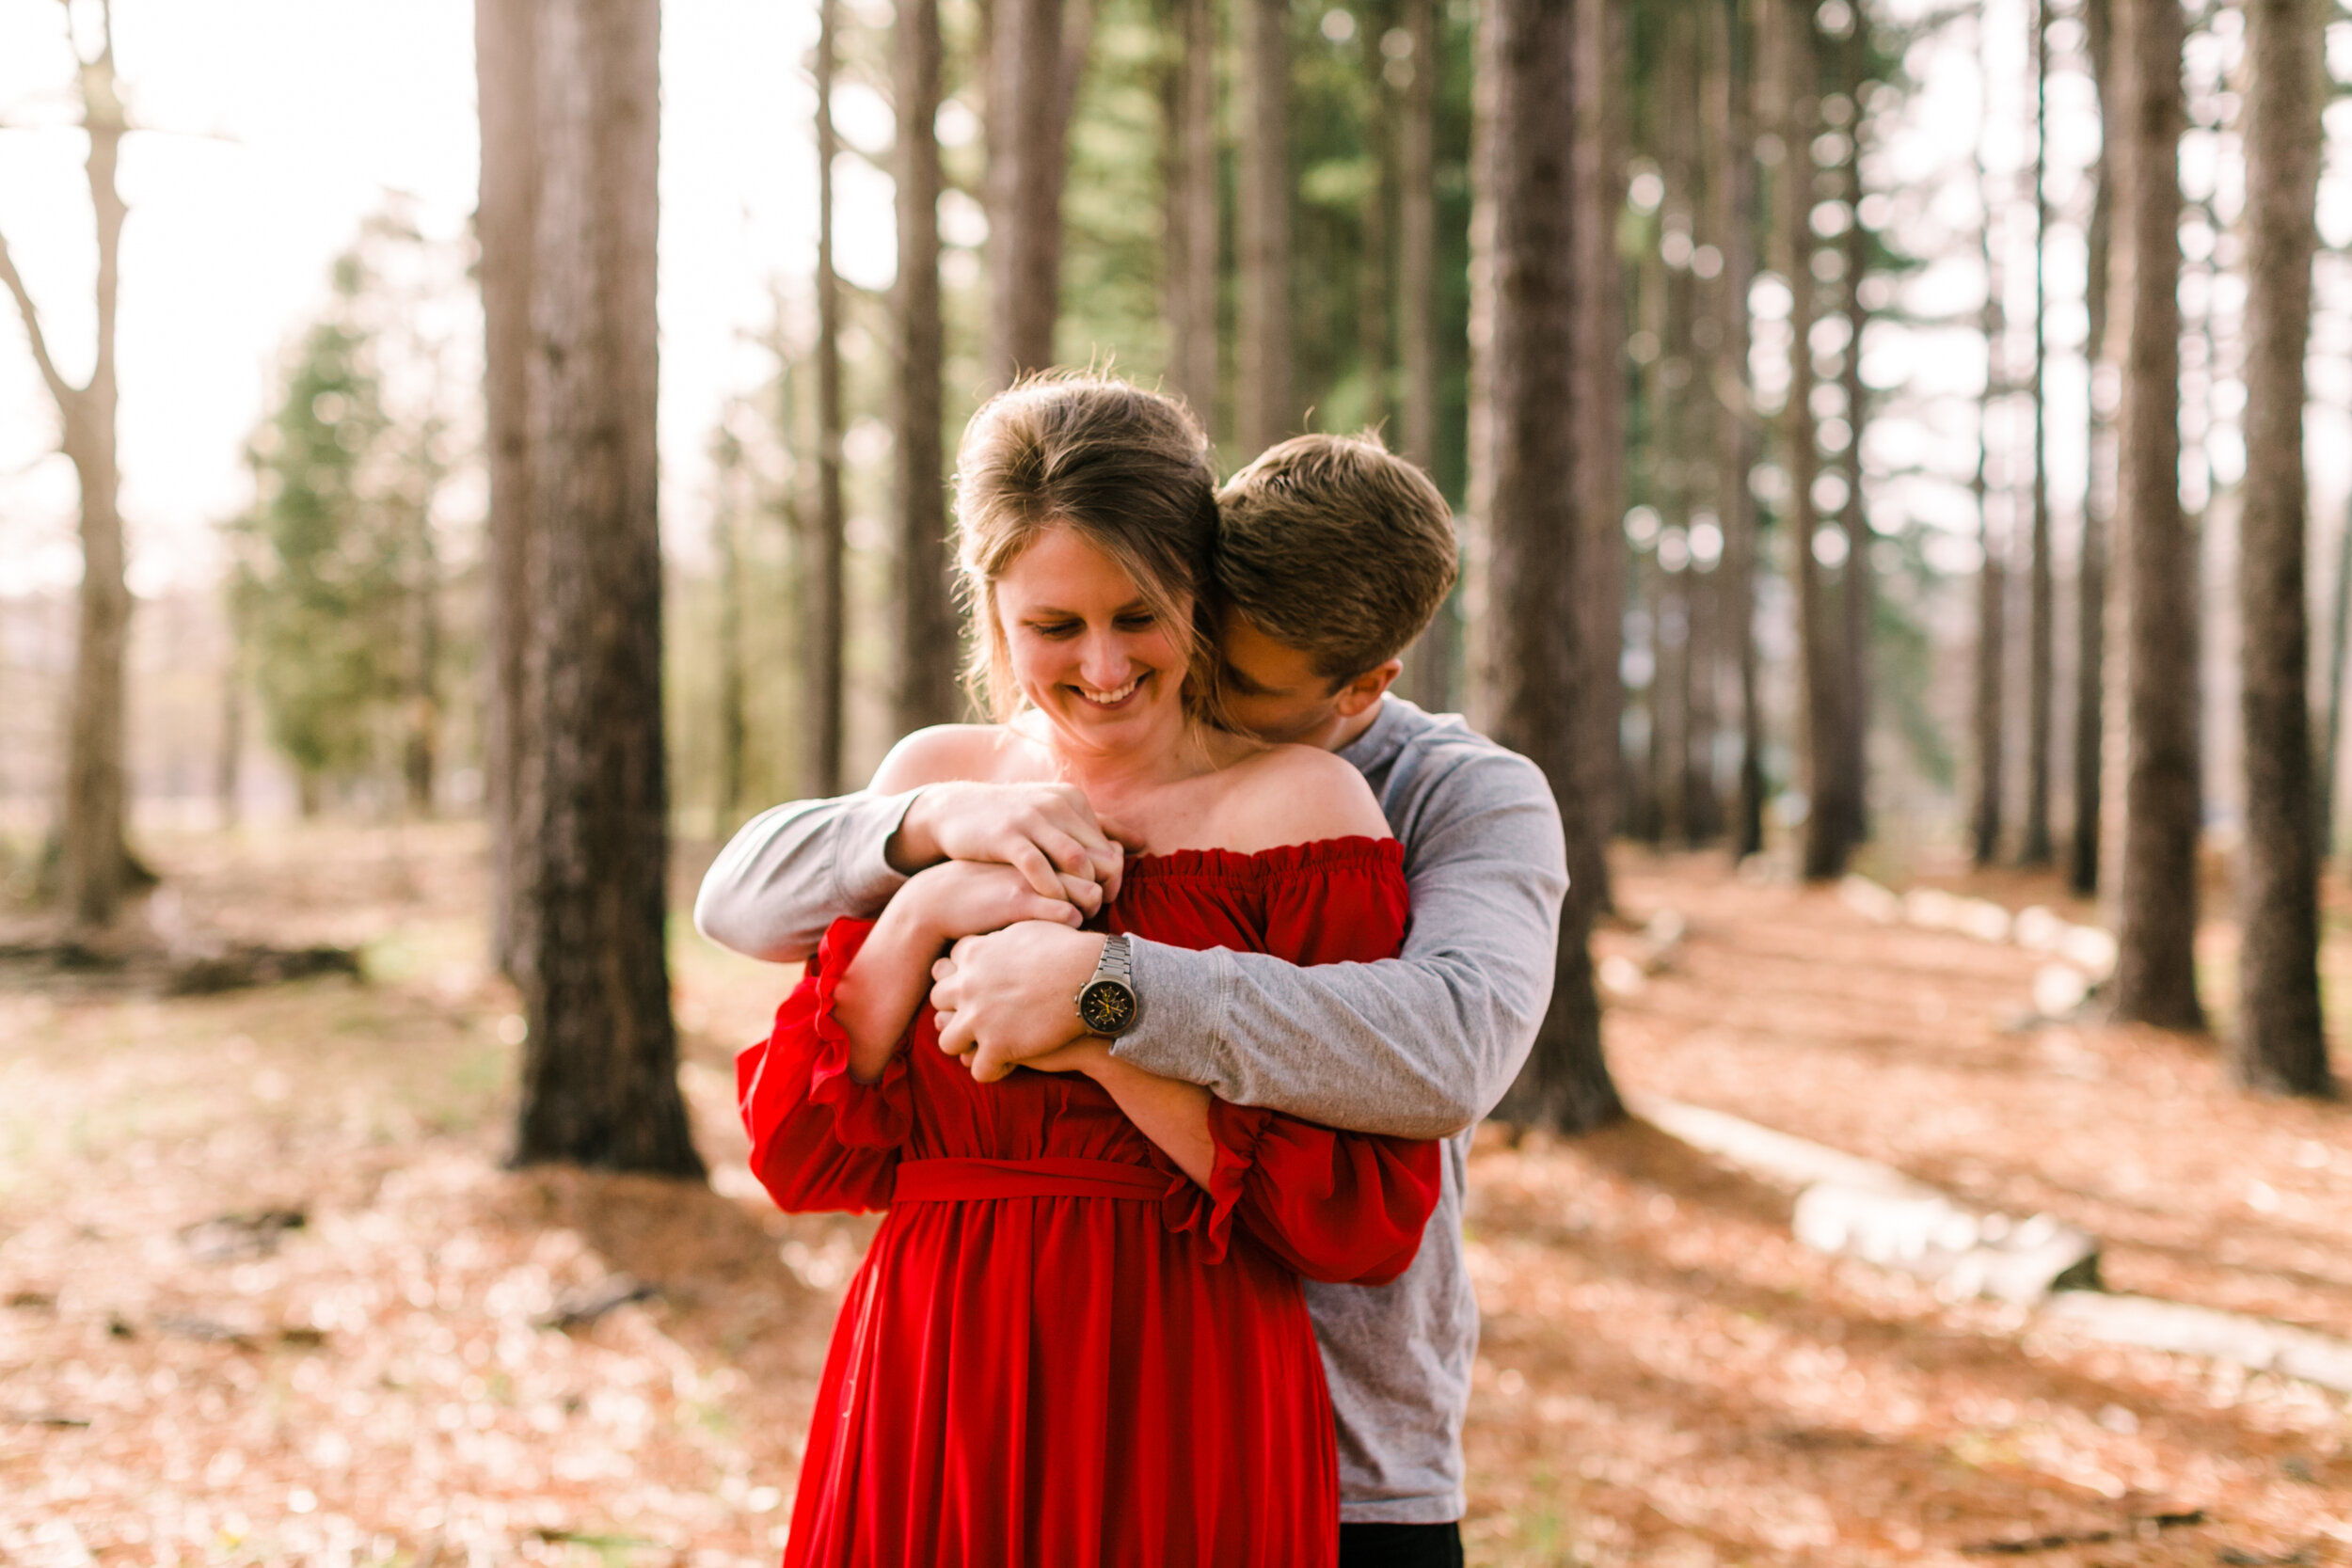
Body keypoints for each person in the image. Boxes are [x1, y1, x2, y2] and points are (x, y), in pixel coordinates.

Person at [704, 423, 1568, 1568]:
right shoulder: (962, 781)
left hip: (1329, 1425)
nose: (1123, 678)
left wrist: (1102, 998)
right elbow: (744, 910)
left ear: (1366, 683)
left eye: (1236, 678)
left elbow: (1450, 1052)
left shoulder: (1447, 797)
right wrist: (922, 868)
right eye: (1059, 627)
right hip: (946, 1385)